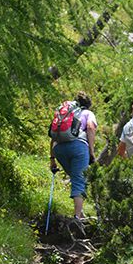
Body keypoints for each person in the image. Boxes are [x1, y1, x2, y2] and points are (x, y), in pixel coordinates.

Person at [49, 91, 98, 219]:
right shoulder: (88, 113)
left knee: (77, 178)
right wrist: (91, 152)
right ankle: (77, 218)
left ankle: (80, 212)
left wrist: (52, 159)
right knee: (79, 180)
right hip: (78, 148)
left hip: (59, 149)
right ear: (88, 105)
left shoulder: (66, 114)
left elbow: (53, 136)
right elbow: (91, 127)